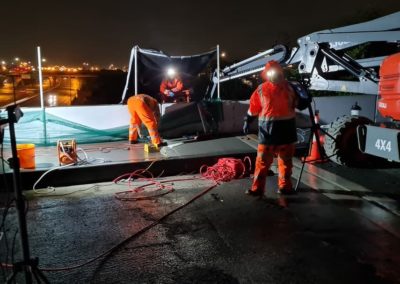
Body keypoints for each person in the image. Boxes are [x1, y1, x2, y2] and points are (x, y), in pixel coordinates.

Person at [243, 60, 298, 196]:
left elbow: (300, 103)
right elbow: (253, 108)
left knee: (283, 163)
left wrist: (247, 121)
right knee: (264, 163)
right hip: (279, 133)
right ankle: (259, 189)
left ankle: (284, 187)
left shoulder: (289, 88)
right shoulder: (285, 88)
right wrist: (247, 120)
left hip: (272, 133)